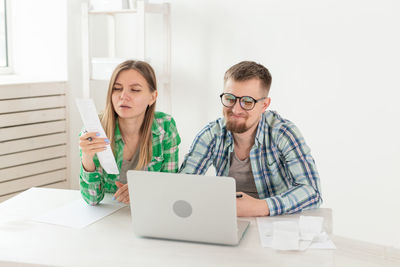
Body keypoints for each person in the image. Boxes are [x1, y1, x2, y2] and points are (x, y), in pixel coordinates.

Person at [180, 61, 321, 217]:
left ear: (264, 105)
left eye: (247, 101)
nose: (235, 109)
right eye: (230, 98)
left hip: (276, 222)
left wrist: (261, 207)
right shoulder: (211, 134)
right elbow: (183, 187)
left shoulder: (283, 132)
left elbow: (313, 191)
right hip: (228, 219)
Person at [79, 60, 181, 205]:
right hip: (110, 214)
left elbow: (170, 186)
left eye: (135, 90)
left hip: (150, 208)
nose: (123, 96)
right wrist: (87, 158)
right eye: (117, 88)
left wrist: (143, 190)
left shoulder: (165, 126)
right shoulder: (94, 131)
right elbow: (92, 200)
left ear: (152, 97)